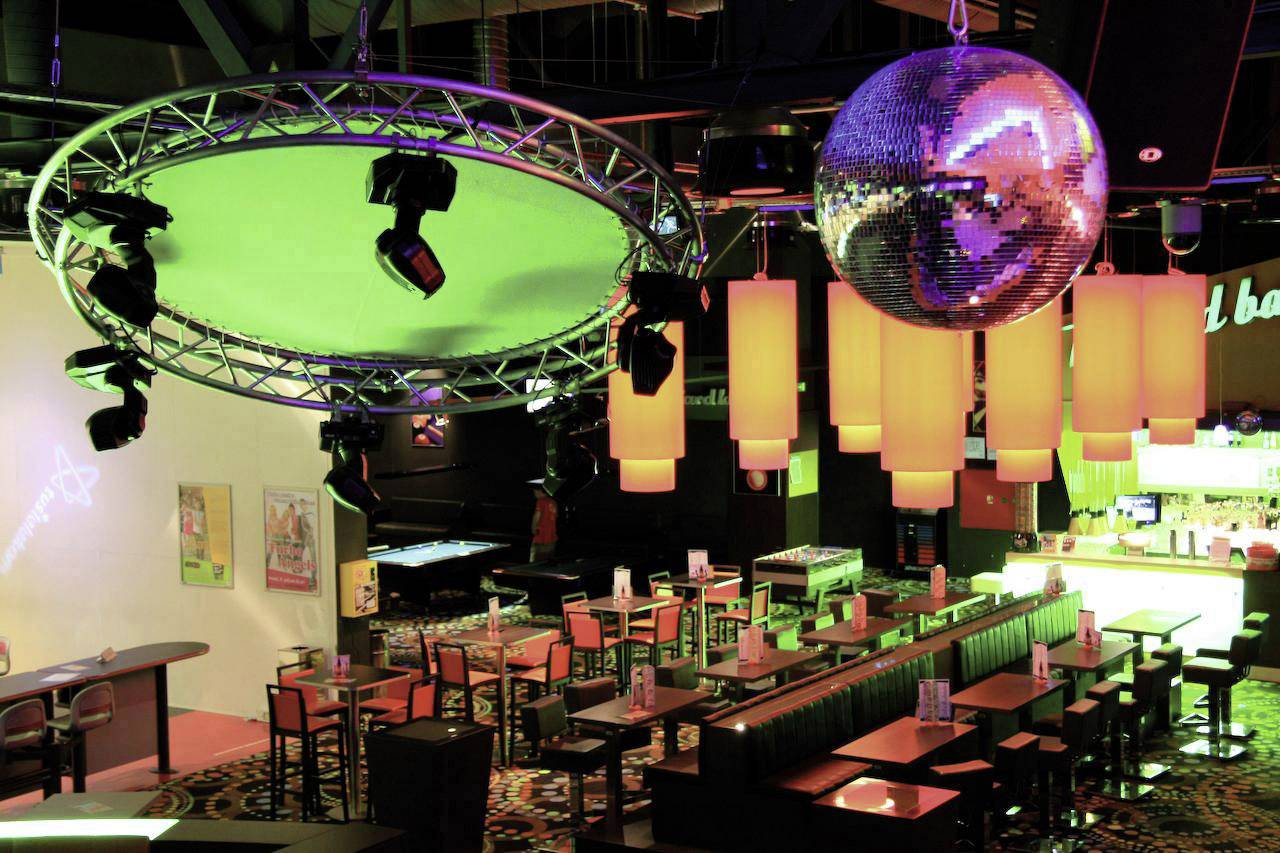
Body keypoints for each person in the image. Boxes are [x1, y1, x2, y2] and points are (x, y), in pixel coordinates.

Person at [530, 485, 558, 563]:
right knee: (549, 559)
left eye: (535, 491)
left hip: (541, 536)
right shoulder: (553, 502)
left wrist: (533, 528)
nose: (534, 493)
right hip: (552, 536)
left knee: (536, 560)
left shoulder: (540, 501)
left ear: (539, 491)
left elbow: (537, 516)